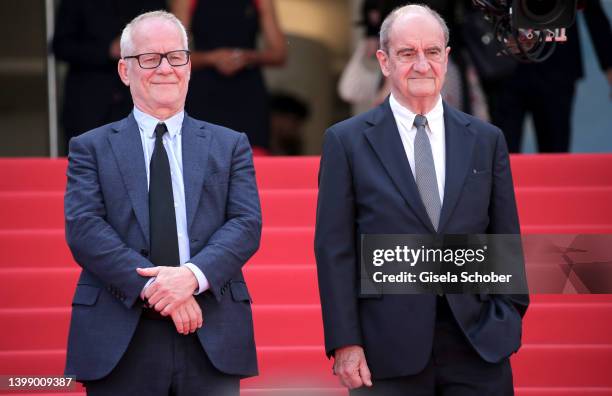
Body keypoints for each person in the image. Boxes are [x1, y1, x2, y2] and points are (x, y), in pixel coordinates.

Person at [315, 5, 529, 395]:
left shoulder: (486, 140)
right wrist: (346, 343)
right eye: (407, 53)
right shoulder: (345, 142)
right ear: (384, 61)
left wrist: (506, 317)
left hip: (477, 344)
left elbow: (504, 239)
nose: (421, 65)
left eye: (432, 52)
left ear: (446, 58)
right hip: (385, 351)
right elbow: (335, 249)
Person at [63, 11, 262, 396]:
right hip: (120, 331)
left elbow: (245, 224)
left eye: (176, 56)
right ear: (125, 70)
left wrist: (189, 278)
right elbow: (85, 228)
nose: (165, 68)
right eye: (150, 58)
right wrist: (161, 289)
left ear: (188, 65)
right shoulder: (90, 147)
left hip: (210, 327)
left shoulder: (230, 144)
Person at [487, 0, 612, 152]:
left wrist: (609, 66)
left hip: (557, 66)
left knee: (555, 153)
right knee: (502, 152)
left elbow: (593, 10)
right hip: (503, 66)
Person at [171, 0, 287, 152]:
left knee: (251, 159)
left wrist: (247, 57)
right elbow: (173, 54)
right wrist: (211, 58)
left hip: (247, 93)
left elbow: (279, 53)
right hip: (204, 93)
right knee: (202, 158)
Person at [52, 0, 166, 154]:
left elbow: (164, 37)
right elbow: (60, 46)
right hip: (89, 103)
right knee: (88, 164)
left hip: (138, 101)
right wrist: (107, 50)